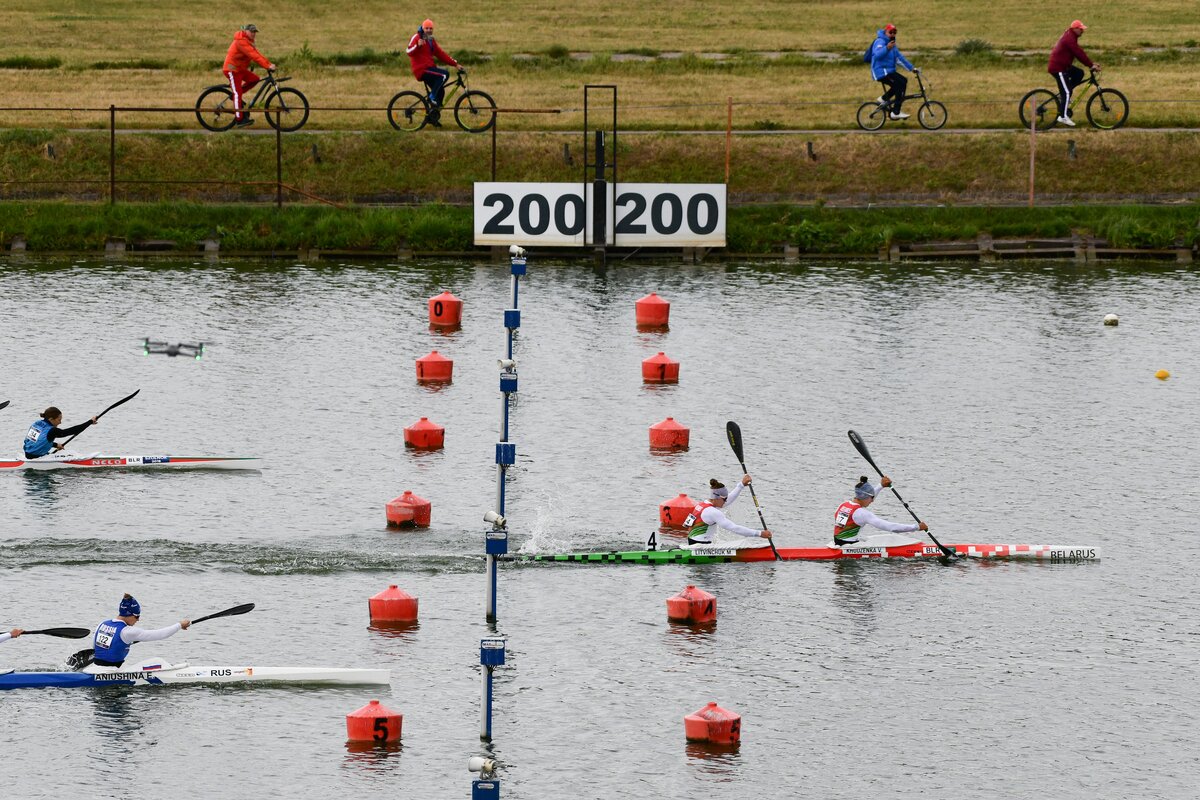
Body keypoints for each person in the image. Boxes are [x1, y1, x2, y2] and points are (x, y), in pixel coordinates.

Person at [91, 594, 190, 668]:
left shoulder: (102, 624)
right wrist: (179, 625)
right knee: (158, 661)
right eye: (137, 616)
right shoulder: (127, 632)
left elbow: (96, 646)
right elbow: (160, 635)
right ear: (128, 614)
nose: (138, 620)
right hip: (111, 671)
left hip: (96, 667)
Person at [833, 476, 928, 546]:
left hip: (838, 542)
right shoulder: (862, 513)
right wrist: (916, 527)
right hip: (850, 546)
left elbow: (868, 495)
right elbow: (891, 527)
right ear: (866, 497)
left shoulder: (843, 505)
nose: (872, 501)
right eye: (872, 498)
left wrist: (881, 485)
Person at [683, 475, 773, 546]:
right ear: (717, 498)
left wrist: (741, 485)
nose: (726, 501)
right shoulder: (713, 512)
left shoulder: (702, 505)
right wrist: (759, 533)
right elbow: (734, 528)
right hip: (701, 546)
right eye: (724, 499)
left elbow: (729, 500)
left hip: (693, 541)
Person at [406, 18, 463, 128]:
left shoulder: (431, 40)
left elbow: (441, 54)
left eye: (430, 28)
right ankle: (431, 97)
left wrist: (455, 64)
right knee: (444, 74)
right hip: (421, 70)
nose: (428, 30)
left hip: (430, 69)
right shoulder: (417, 37)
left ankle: (432, 116)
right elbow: (408, 51)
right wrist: (417, 45)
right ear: (422, 28)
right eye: (426, 28)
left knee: (440, 91)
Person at [223, 23, 276, 127]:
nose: (253, 34)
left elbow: (258, 55)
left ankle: (236, 98)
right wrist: (267, 66)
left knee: (254, 79)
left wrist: (268, 64)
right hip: (232, 70)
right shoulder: (241, 41)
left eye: (255, 32)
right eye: (251, 31)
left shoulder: (249, 42)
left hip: (240, 69)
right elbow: (254, 56)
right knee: (238, 93)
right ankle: (239, 120)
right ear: (245, 31)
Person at [1048, 20, 1098, 127]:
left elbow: (1078, 52)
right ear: (1075, 29)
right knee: (1066, 92)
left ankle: (1066, 95)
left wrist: (1090, 64)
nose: (1082, 31)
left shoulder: (1070, 35)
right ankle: (1063, 116)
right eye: (1081, 29)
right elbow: (1078, 53)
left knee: (1079, 74)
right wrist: (1091, 65)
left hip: (1064, 66)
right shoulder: (1069, 39)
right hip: (1058, 68)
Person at [870, 24, 918, 121]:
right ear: (885, 32)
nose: (892, 34)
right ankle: (895, 112)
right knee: (899, 84)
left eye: (894, 32)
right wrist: (887, 48)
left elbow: (900, 59)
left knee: (903, 81)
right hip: (881, 71)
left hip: (889, 71)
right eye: (890, 32)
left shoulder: (892, 44)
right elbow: (877, 55)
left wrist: (912, 68)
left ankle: (884, 99)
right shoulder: (880, 41)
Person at [23, 407, 98, 459]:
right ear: (51, 419)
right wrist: (90, 422)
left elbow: (36, 441)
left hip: (28, 454)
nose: (60, 422)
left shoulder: (36, 424)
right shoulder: (52, 430)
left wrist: (55, 445)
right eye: (59, 420)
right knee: (71, 454)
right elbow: (72, 430)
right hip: (37, 457)